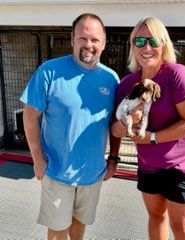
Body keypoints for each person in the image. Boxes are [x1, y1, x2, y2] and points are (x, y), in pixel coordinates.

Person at [20, 13, 121, 240]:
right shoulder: (49, 72)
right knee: (57, 232)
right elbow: (30, 117)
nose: (89, 45)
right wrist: (37, 158)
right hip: (57, 171)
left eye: (95, 40)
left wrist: (113, 158)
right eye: (82, 38)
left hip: (93, 173)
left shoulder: (111, 79)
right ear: (72, 38)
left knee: (79, 227)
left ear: (104, 43)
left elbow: (116, 124)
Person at [112, 17, 185, 240]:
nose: (147, 47)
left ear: (164, 44)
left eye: (153, 41)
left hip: (180, 164)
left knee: (181, 227)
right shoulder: (127, 84)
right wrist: (127, 122)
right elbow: (115, 130)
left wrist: (151, 137)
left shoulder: (176, 75)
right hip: (149, 164)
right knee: (155, 217)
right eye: (140, 40)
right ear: (133, 45)